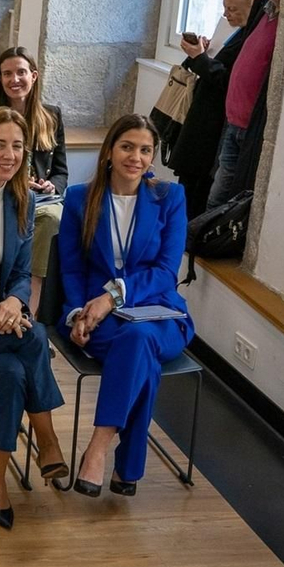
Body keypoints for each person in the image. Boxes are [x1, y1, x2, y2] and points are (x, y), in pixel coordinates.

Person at [59, 114, 193, 496]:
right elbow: (71, 268)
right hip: (99, 322)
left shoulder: (170, 199)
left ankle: (98, 449)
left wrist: (112, 296)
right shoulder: (79, 199)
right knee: (139, 352)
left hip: (161, 313)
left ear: (153, 157)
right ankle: (129, 466)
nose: (136, 157)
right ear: (110, 151)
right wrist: (75, 315)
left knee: (139, 338)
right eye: (127, 147)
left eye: (145, 150)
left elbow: (167, 272)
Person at [0, 108, 68, 528]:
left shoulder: (23, 200)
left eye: (18, 146)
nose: (9, 154)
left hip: (1, 331)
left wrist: (14, 305)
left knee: (13, 371)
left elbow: (22, 274)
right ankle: (47, 438)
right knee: (34, 337)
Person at [170, 0, 284, 216]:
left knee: (212, 198)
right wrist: (202, 53)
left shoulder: (255, 29)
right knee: (199, 195)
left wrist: (201, 58)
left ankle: (196, 245)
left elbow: (224, 77)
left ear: (251, 4)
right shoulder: (241, 32)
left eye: (232, 9)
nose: (227, 14)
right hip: (216, 123)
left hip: (221, 125)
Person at [0, 46, 67, 310]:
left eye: (21, 72)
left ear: (33, 76)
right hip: (2, 196)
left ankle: (29, 303)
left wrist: (51, 184)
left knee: (52, 218)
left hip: (41, 200)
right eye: (7, 74)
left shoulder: (53, 116)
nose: (14, 80)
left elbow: (61, 172)